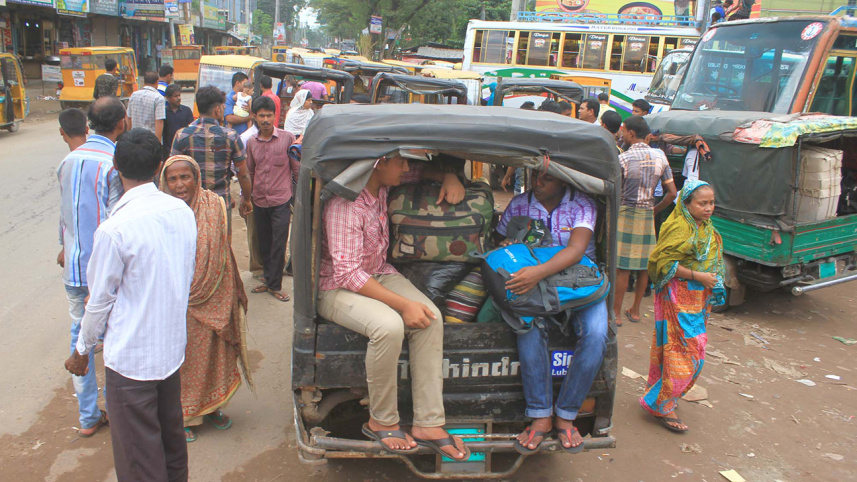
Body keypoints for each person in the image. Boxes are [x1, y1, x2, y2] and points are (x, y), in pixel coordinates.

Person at [64, 128, 196, 481]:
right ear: (158, 167)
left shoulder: (114, 230)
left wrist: (82, 350)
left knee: (139, 460)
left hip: (131, 362)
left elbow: (98, 302)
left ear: (115, 166)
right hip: (169, 354)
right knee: (170, 445)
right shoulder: (181, 211)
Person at [318, 155, 470, 460]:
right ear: (378, 163)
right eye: (400, 162)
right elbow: (348, 273)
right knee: (388, 326)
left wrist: (449, 177)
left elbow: (421, 171)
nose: (405, 169)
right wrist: (403, 306)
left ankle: (428, 422)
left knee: (431, 318)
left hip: (379, 273)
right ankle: (382, 419)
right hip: (337, 286)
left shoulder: (383, 185)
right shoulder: (345, 205)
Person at [495, 172, 607, 454]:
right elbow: (499, 241)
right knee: (528, 329)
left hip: (580, 282)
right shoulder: (519, 204)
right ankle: (541, 415)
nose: (537, 183)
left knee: (596, 334)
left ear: (563, 181)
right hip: (537, 283)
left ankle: (567, 414)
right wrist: (507, 246)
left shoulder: (582, 204)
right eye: (536, 177)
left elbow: (576, 250)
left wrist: (537, 273)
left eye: (546, 179)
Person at [159, 154, 254, 443]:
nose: (179, 184)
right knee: (184, 359)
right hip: (180, 301)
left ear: (196, 178)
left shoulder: (213, 204)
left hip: (217, 293)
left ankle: (213, 407)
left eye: (184, 177)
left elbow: (224, 248)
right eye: (172, 178)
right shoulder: (161, 213)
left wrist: (236, 286)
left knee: (217, 353)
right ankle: (184, 415)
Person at [57, 101, 125, 438]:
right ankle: (113, 410)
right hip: (103, 269)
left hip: (74, 269)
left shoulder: (67, 161)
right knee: (110, 336)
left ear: (90, 124)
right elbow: (118, 219)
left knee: (79, 338)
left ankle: (87, 417)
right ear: (122, 123)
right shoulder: (114, 165)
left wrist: (64, 246)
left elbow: (64, 212)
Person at [641, 180, 725, 432]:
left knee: (688, 350)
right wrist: (698, 276)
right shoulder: (677, 227)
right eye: (702, 203)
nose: (708, 208)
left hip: (698, 302)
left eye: (711, 203)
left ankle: (661, 397)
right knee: (683, 350)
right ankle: (663, 404)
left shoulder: (707, 228)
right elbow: (662, 263)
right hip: (676, 298)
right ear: (686, 204)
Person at [613, 116, 677, 326]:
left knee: (622, 267)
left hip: (626, 213)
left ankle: (616, 313)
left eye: (624, 131)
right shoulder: (660, 158)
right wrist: (654, 211)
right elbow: (672, 193)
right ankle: (636, 310)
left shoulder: (622, 159)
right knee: (643, 267)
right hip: (647, 214)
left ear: (630, 133)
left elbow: (614, 190)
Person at [171, 85, 253, 236]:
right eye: (222, 107)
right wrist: (246, 199)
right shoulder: (231, 136)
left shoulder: (181, 136)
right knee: (221, 251)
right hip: (220, 205)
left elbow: (171, 172)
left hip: (190, 205)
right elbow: (243, 174)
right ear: (217, 109)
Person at [245, 96, 298, 302]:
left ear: (275, 116)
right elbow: (249, 171)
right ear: (254, 117)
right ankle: (268, 280)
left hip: (281, 200)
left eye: (269, 115)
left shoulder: (287, 138)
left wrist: (297, 197)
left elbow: (296, 169)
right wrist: (246, 198)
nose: (265, 119)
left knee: (278, 243)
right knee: (264, 243)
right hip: (259, 200)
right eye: (261, 116)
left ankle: (275, 285)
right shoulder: (251, 142)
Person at [127, 71, 166, 142]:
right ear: (157, 81)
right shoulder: (158, 98)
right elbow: (159, 122)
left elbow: (128, 118)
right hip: (150, 140)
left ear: (144, 81)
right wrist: (158, 142)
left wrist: (128, 137)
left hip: (134, 138)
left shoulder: (134, 95)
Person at [163, 84, 194, 159]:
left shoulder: (186, 111)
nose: (179, 98)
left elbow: (192, 129)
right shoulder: (164, 112)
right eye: (175, 96)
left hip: (185, 149)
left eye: (179, 95)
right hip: (168, 150)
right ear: (168, 98)